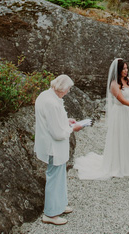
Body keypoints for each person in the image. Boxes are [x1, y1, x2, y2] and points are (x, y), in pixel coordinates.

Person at [74, 58, 129, 179]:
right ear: (118, 70)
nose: (126, 71)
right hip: (120, 112)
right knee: (119, 136)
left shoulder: (128, 80)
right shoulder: (114, 84)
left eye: (126, 68)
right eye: (123, 69)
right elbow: (122, 100)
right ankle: (118, 164)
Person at [34, 74, 84, 226]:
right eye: (68, 89)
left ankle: (60, 205)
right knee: (54, 178)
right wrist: (73, 128)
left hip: (49, 144)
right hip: (53, 146)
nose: (68, 92)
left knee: (60, 176)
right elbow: (57, 133)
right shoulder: (52, 102)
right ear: (62, 88)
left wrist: (66, 121)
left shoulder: (45, 95)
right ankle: (50, 213)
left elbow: (52, 120)